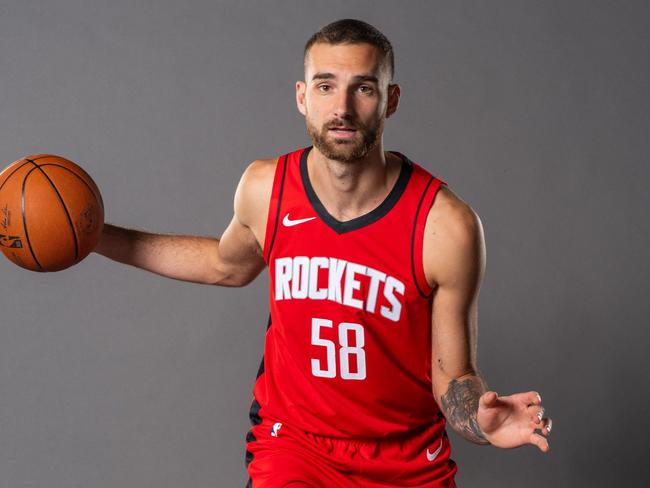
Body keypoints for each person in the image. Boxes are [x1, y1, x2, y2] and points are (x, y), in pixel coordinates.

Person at [95, 19, 552, 488]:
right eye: (326, 86)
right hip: (295, 446)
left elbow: (452, 378)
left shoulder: (444, 226)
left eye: (364, 88)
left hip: (406, 460)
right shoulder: (266, 188)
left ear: (391, 100)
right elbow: (223, 266)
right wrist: (95, 237)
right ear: (302, 96)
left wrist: (479, 419)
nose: (342, 108)